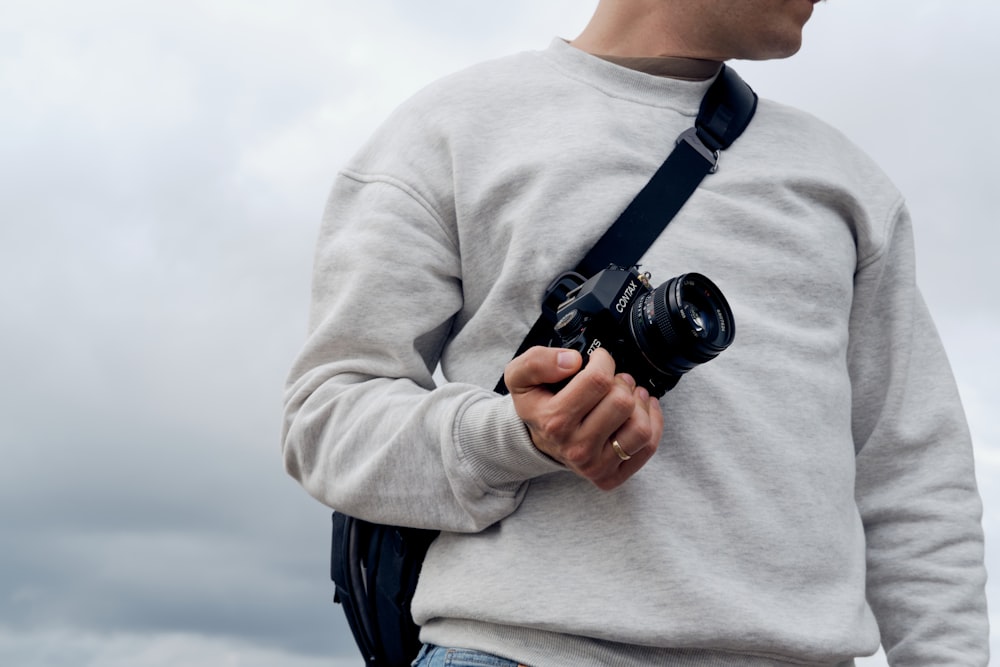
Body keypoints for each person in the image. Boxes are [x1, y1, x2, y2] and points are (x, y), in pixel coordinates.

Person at [282, 1, 990, 664]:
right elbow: (326, 420)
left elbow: (915, 476)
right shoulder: (452, 128)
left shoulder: (849, 184)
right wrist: (516, 434)